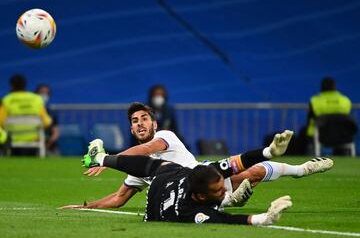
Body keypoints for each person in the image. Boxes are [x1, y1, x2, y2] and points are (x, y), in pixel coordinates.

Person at [61, 102, 333, 210]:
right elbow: (119, 198)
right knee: (252, 175)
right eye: (135, 120)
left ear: (154, 124)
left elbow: (144, 151)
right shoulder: (137, 169)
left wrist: (107, 159)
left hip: (207, 174)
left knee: (253, 171)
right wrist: (86, 207)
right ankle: (227, 201)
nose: (140, 123)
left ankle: (301, 169)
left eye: (145, 118)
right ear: (131, 128)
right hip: (187, 193)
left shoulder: (164, 136)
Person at [82, 139, 293, 225]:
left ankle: (100, 158)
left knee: (158, 166)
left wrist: (268, 151)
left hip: (170, 177)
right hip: (156, 209)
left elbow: (236, 162)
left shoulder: (205, 175)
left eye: (222, 187)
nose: (223, 190)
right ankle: (100, 158)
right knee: (154, 166)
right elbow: (225, 220)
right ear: (201, 197)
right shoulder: (189, 211)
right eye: (219, 190)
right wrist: (264, 218)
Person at [0, 74, 52, 156]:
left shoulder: (7, 100)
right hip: (34, 138)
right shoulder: (36, 99)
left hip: (12, 138)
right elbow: (47, 122)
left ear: (11, 85)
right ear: (25, 85)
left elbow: (1, 122)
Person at [306, 77, 352, 154]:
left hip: (322, 137)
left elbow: (310, 120)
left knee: (308, 135)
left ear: (321, 87)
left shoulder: (315, 101)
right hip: (343, 137)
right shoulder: (345, 100)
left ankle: (310, 157)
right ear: (334, 86)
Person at [35, 84, 60, 156]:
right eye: (42, 93)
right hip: (32, 143)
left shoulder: (51, 112)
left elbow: (56, 133)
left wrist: (46, 145)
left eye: (46, 93)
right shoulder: (31, 112)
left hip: (49, 145)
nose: (44, 95)